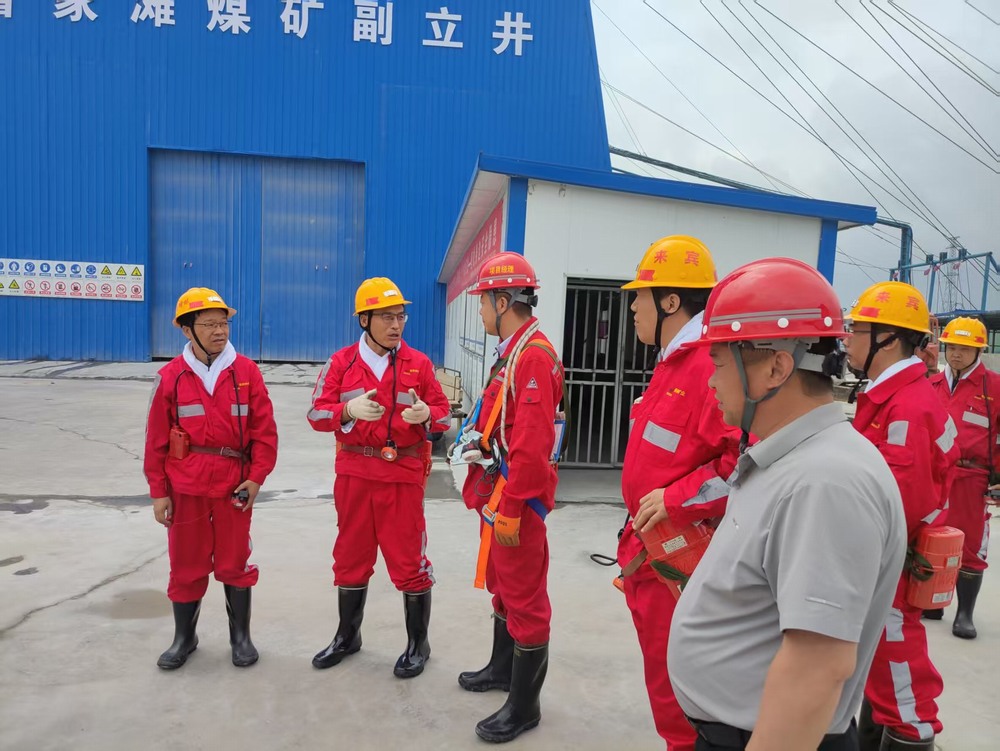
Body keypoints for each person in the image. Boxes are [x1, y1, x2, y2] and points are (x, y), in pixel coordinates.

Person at [668, 258, 907, 751]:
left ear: (776, 368)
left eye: (719, 363)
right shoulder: (790, 458)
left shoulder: (825, 482)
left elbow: (816, 668)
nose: (710, 381)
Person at [620, 235, 741, 750]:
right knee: (663, 679)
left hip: (680, 555)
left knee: (679, 693)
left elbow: (740, 462)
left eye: (640, 297)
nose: (632, 307)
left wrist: (675, 499)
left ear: (671, 302)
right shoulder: (672, 362)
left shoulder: (706, 366)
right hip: (650, 550)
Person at [307, 277, 451, 679]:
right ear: (364, 320)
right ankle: (347, 636)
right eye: (386, 317)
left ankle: (418, 644)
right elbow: (316, 412)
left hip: (402, 474)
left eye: (400, 316)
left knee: (409, 560)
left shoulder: (418, 365)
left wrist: (429, 416)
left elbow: (443, 413)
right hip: (354, 473)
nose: (396, 325)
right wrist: (347, 411)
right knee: (350, 557)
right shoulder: (341, 364)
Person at [453, 251, 564, 744]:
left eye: (483, 301)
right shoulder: (514, 351)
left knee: (525, 598)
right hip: (501, 492)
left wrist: (514, 507)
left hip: (518, 499)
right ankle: (502, 669)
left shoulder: (533, 356)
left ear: (503, 301)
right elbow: (509, 423)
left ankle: (524, 707)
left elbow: (534, 447)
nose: (480, 311)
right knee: (504, 586)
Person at [845, 281, 959, 750]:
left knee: (902, 682)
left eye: (857, 329)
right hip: (885, 560)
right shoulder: (893, 396)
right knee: (879, 672)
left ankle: (910, 738)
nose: (847, 338)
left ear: (887, 339)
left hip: (891, 562)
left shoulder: (907, 407)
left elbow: (899, 504)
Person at [144, 287, 278, 670]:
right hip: (185, 487)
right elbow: (155, 440)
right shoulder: (170, 377)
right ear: (187, 330)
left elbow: (264, 432)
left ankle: (241, 638)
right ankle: (184, 638)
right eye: (209, 324)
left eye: (223, 323)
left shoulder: (246, 373)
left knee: (235, 561)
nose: (220, 331)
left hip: (234, 484)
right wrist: (159, 492)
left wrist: (256, 478)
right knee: (186, 562)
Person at [927, 316, 997, 639]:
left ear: (979, 351)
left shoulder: (994, 388)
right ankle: (932, 602)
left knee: (970, 544)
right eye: (952, 346)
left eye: (965, 348)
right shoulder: (932, 385)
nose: (956, 354)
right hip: (935, 474)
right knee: (930, 537)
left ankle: (965, 613)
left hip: (973, 478)